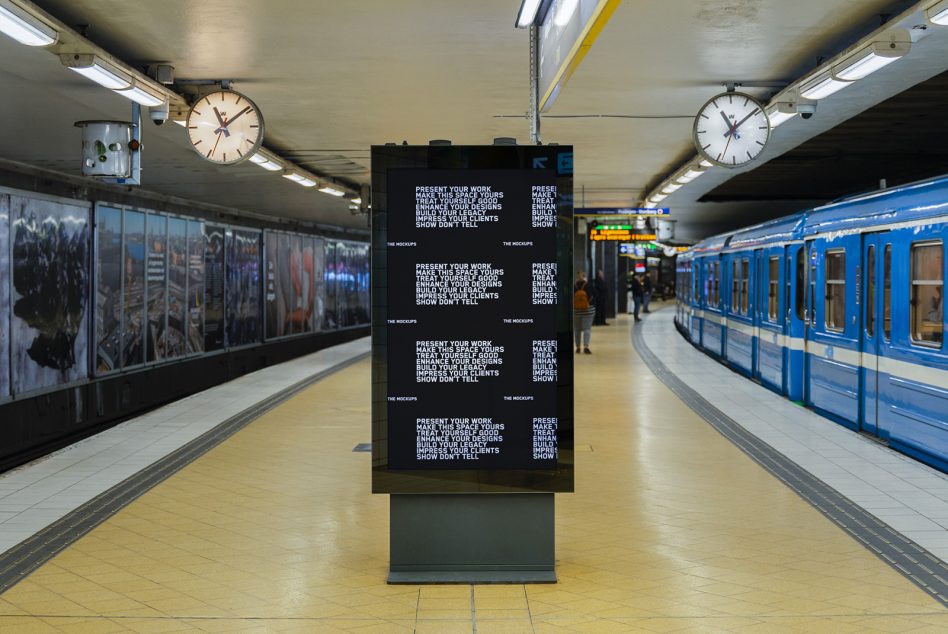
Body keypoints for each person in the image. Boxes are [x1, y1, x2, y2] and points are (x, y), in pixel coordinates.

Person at [574, 273, 595, 353]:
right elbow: (594, 295)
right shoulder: (589, 285)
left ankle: (578, 347)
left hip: (576, 311)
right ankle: (586, 346)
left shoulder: (574, 286)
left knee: (577, 329)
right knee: (587, 329)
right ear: (584, 278)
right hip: (588, 311)